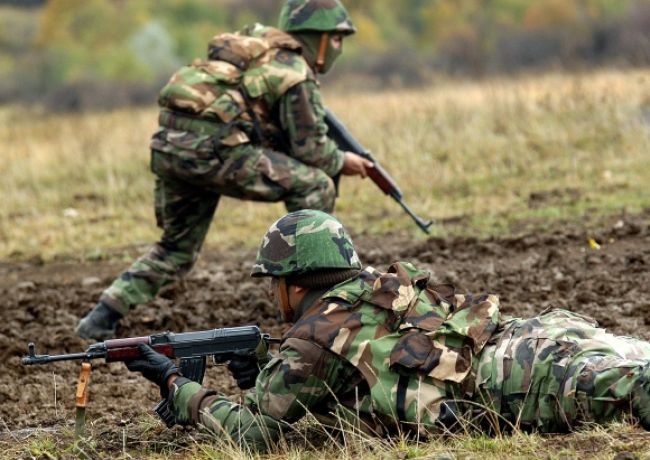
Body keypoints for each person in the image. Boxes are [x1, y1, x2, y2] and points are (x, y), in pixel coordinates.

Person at [124, 210, 650, 452]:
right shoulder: (373, 286)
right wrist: (265, 366)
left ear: (292, 281)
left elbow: (254, 435)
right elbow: (361, 365)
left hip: (519, 382)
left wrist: (177, 386)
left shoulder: (312, 339)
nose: (271, 295)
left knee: (639, 391)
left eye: (273, 282)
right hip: (535, 336)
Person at [76, 0, 373, 340]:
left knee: (175, 250)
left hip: (171, 147)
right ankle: (320, 295)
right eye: (336, 39)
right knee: (317, 186)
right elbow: (312, 150)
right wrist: (343, 162)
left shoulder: (253, 48)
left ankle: (100, 318)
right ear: (317, 38)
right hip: (217, 150)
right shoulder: (293, 71)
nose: (339, 48)